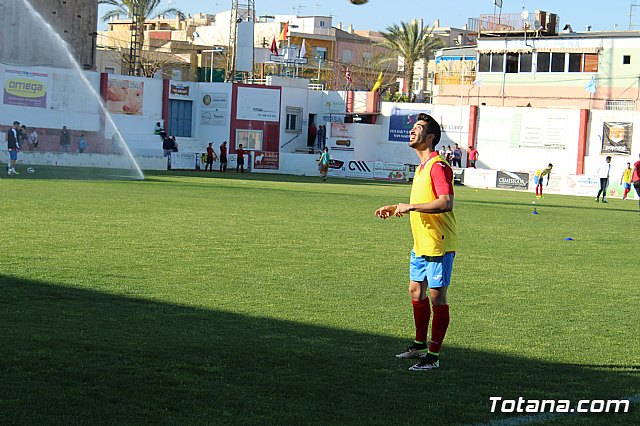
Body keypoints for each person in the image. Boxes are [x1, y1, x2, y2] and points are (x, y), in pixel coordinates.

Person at [374, 113, 458, 371]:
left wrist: (409, 206)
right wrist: (397, 206)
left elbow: (446, 202)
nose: (412, 131)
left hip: (437, 242)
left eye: (418, 128)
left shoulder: (438, 166)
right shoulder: (422, 167)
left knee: (437, 298)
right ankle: (419, 345)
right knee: (415, 291)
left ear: (430, 137)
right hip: (421, 244)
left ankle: (433, 356)